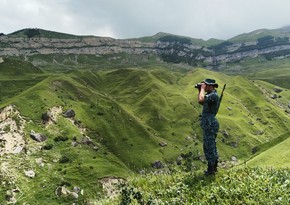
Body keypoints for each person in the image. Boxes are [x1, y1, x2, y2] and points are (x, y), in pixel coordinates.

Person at [197, 78, 220, 176]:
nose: (205, 86)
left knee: (209, 146)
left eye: (206, 85)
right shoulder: (210, 96)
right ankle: (213, 168)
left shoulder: (214, 95)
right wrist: (200, 90)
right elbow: (201, 102)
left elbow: (201, 99)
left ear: (211, 86)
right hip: (208, 123)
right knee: (210, 145)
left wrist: (202, 89)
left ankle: (211, 170)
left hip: (210, 123)